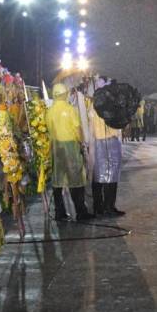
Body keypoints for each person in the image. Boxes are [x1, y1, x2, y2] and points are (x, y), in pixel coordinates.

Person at [46, 83, 93, 221]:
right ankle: (81, 212)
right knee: (76, 179)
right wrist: (82, 142)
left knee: (58, 181)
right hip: (70, 147)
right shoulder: (70, 109)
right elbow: (78, 130)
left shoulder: (49, 111)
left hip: (56, 148)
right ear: (64, 94)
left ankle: (59, 212)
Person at [90, 96, 125, 217]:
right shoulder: (112, 108)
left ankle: (98, 207)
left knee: (98, 176)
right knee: (111, 177)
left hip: (97, 143)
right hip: (110, 142)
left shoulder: (92, 108)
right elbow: (117, 127)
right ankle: (109, 207)